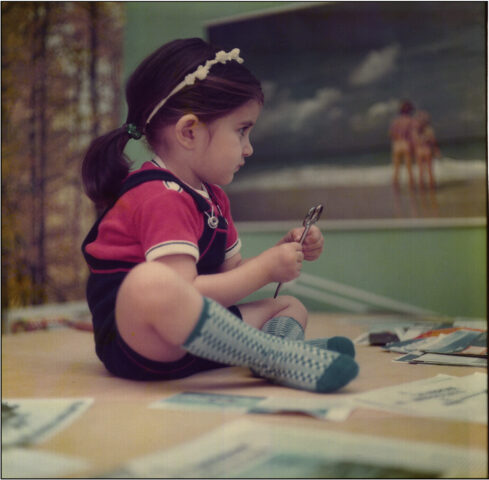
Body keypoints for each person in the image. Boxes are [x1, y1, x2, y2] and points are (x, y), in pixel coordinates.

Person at [81, 38, 358, 393]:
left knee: (289, 305)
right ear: (189, 132)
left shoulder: (213, 198)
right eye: (242, 131)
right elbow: (186, 291)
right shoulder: (158, 196)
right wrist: (265, 270)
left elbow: (230, 279)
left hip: (197, 342)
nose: (249, 148)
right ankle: (276, 354)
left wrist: (279, 255)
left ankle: (278, 355)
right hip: (140, 343)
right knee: (149, 282)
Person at [389, 100, 416, 189]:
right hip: (406, 143)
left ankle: (395, 189)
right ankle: (412, 189)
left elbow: (391, 134)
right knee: (409, 170)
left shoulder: (396, 121)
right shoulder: (410, 120)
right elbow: (412, 135)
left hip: (397, 145)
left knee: (396, 170)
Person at [412, 110, 439, 189]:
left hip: (419, 151)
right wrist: (436, 150)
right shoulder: (429, 130)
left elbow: (414, 142)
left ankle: (422, 190)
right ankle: (432, 189)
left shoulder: (415, 131)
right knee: (430, 171)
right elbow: (433, 141)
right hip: (427, 150)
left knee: (421, 172)